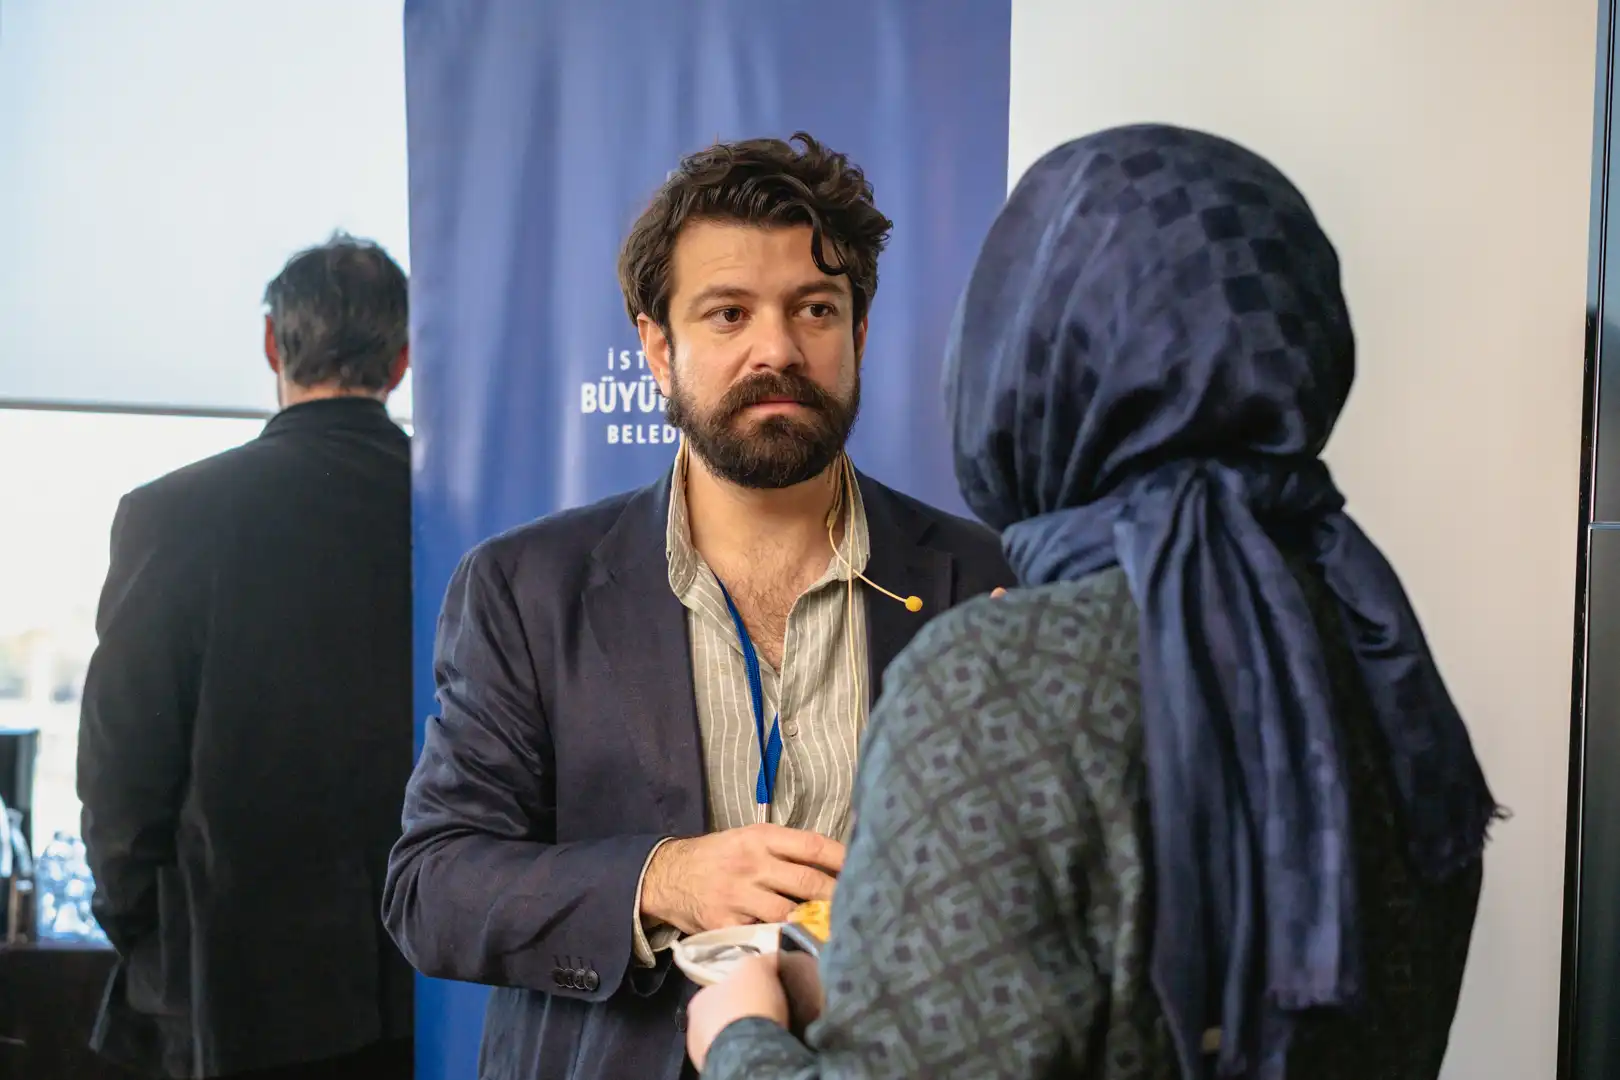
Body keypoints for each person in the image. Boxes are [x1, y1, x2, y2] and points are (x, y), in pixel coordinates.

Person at [685, 124, 1500, 1079]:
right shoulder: (1374, 642)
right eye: (727, 313)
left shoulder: (1000, 671)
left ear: (1020, 353)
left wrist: (738, 1036)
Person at [382, 132, 1014, 1080]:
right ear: (657, 348)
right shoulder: (526, 586)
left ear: (858, 335)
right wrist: (663, 879)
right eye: (728, 314)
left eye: (815, 309)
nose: (778, 349)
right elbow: (432, 888)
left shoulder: (989, 580)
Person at [77, 234, 415, 1080]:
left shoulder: (173, 514)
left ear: (272, 344)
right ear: (402, 360)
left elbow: (121, 770)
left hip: (229, 991)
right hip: (435, 990)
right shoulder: (470, 514)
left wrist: (144, 934)